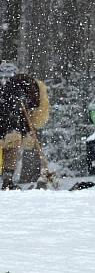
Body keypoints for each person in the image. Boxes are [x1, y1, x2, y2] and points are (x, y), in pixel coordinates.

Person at [0, 61, 50, 190]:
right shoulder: (15, 91)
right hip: (8, 127)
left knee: (12, 149)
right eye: (3, 76)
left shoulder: (21, 90)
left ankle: (7, 180)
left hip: (12, 128)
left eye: (8, 75)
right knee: (11, 148)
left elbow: (25, 114)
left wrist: (27, 129)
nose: (5, 79)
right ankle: (7, 180)